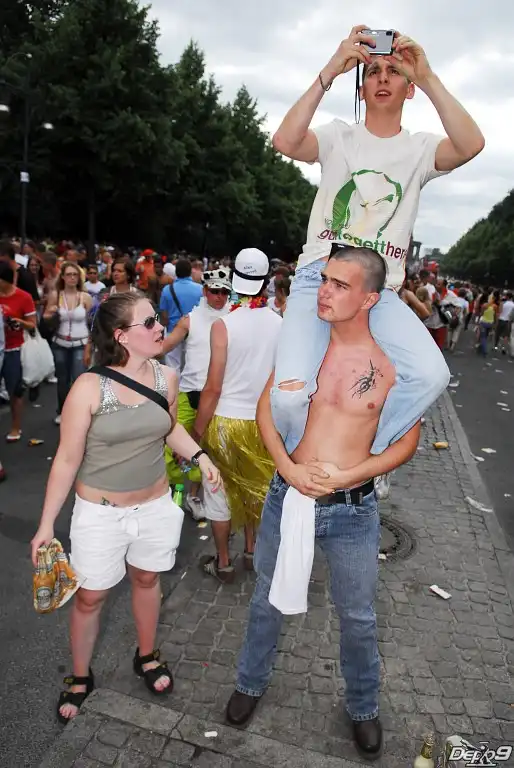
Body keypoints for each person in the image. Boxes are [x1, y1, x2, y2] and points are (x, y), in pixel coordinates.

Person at [226, 246, 421, 760]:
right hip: (286, 495)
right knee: (266, 598)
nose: (324, 291)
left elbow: (408, 440)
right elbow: (266, 409)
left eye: (340, 284)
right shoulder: (304, 345)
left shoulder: (392, 364)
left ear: (370, 299)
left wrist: (353, 474)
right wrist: (288, 468)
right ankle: (249, 682)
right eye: (325, 280)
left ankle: (363, 707)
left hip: (353, 510)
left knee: (357, 616)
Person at [269, 26, 484, 473]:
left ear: (409, 89)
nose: (383, 77)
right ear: (361, 87)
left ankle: (363, 452)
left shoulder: (421, 149)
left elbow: (471, 144)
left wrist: (427, 75)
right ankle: (296, 464)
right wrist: (331, 69)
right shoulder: (337, 137)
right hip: (319, 279)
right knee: (289, 397)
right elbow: (285, 141)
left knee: (431, 375)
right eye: (372, 71)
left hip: (376, 292)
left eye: (394, 71)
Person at [30, 292, 221, 724]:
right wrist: (46, 525)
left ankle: (147, 655)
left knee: (148, 579)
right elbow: (66, 459)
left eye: (159, 319)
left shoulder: (166, 377)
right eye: (149, 322)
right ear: (121, 336)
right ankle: (80, 676)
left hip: (155, 507)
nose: (161, 328)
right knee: (90, 597)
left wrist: (201, 457)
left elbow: (169, 428)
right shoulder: (88, 387)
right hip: (100, 513)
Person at [193, 249, 282, 583]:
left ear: (234, 280)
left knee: (217, 493)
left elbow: (213, 387)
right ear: (266, 281)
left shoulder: (223, 325)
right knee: (255, 488)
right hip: (262, 423)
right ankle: (251, 550)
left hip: (225, 423)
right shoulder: (281, 325)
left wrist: (196, 433)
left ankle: (223, 561)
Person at [161, 268, 231, 520]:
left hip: (219, 396)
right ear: (205, 291)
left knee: (204, 452)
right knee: (173, 449)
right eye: (214, 291)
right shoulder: (189, 320)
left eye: (224, 292)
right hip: (188, 394)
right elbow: (165, 345)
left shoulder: (234, 318)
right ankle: (174, 494)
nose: (219, 297)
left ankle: (192, 496)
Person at [44, 262, 93, 425]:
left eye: (75, 274)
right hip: (60, 342)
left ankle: (80, 413)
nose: (72, 277)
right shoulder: (55, 295)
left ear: (79, 278)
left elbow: (91, 324)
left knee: (79, 380)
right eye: (69, 274)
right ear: (63, 277)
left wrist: (89, 347)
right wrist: (50, 314)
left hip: (81, 343)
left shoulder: (85, 297)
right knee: (62, 380)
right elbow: (46, 317)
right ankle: (63, 411)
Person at [0, 262, 37, 441]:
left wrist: (19, 322)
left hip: (13, 349)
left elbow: (32, 325)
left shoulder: (24, 297)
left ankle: (16, 427)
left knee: (15, 390)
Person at [159, 259, 203, 372]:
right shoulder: (200, 289)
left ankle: (174, 383)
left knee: (172, 365)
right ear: (190, 272)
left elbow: (164, 314)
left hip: (172, 330)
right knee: (191, 364)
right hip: (193, 331)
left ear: (176, 272)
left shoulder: (167, 290)